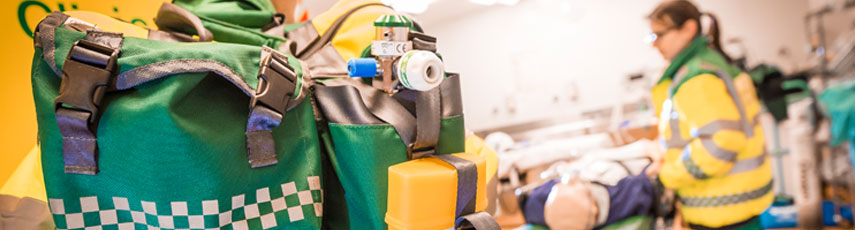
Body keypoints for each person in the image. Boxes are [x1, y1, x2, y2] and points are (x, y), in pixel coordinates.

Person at [645, 1, 772, 229]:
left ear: (689, 29)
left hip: (722, 209)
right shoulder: (710, 64)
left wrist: (668, 174)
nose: (655, 45)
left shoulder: (698, 78)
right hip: (737, 205)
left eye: (659, 35)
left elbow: (720, 144)